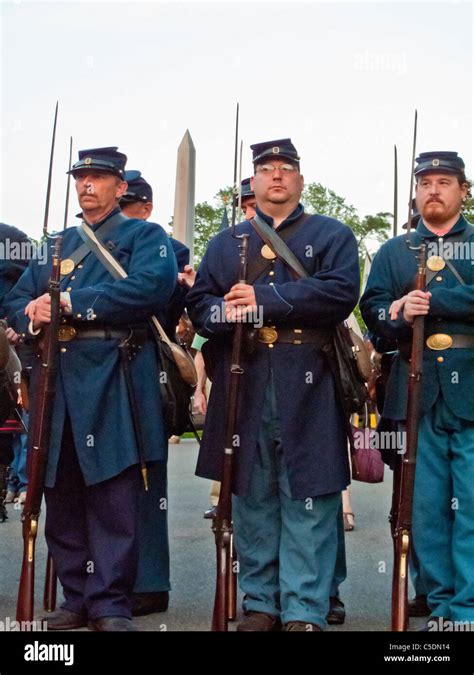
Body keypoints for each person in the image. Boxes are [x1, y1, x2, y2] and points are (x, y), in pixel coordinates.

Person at [187, 138, 360, 631]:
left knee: (309, 494)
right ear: (255, 181)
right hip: (245, 377)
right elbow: (199, 305)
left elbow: (340, 292)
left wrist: (263, 299)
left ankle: (305, 608)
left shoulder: (331, 234)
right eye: (266, 170)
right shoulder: (226, 243)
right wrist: (228, 312)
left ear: (301, 181)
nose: (276, 177)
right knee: (252, 494)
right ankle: (261, 603)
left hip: (310, 379)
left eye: (286, 169)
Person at [4, 147, 177, 631]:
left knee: (114, 497)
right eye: (81, 177)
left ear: (120, 187)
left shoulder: (146, 236)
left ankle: (110, 603)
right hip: (56, 379)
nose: (87, 185)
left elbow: (150, 289)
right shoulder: (55, 243)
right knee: (61, 494)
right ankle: (75, 599)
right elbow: (16, 301)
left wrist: (69, 302)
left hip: (113, 375)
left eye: (98, 178)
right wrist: (31, 314)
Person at [360, 151, 474, 628]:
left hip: (469, 386)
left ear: (463, 191)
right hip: (416, 387)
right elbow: (373, 308)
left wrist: (432, 301)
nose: (433, 189)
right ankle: (442, 604)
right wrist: (398, 313)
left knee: (470, 505)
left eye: (444, 181)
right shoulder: (395, 251)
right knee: (426, 509)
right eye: (425, 182)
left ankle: (468, 606)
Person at [119, 169, 189, 616]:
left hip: (145, 368)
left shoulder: (172, 251)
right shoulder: (79, 246)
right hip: (87, 372)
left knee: (147, 479)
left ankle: (148, 580)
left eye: (127, 209)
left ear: (144, 208)